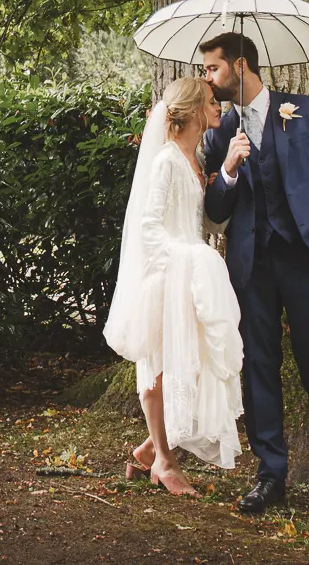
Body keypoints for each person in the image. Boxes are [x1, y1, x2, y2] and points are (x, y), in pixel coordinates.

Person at [198, 31, 309, 519]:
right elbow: (214, 210)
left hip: (307, 260)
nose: (207, 79)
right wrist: (230, 169)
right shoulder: (217, 133)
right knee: (259, 370)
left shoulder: (304, 110)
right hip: (252, 268)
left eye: (212, 68)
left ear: (240, 65)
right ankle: (270, 476)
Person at [103, 76, 243, 495]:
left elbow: (204, 221)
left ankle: (150, 447)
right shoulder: (165, 160)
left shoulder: (195, 158)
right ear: (193, 109)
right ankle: (164, 462)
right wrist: (182, 260)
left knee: (195, 364)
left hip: (191, 273)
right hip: (166, 271)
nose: (218, 106)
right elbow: (148, 225)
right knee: (158, 368)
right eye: (211, 101)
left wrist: (229, 173)